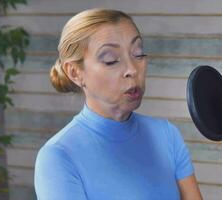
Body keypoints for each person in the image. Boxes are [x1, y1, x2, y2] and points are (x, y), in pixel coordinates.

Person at [34, 8, 202, 200]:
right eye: (111, 60)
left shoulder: (166, 135)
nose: (132, 69)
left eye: (138, 54)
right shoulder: (58, 156)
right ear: (74, 73)